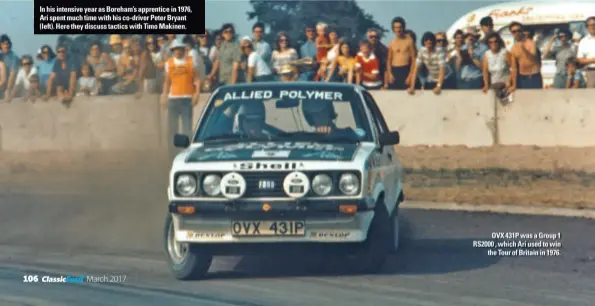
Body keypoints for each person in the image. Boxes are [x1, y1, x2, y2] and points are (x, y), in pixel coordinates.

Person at [161, 39, 201, 158]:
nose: (178, 52)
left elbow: (197, 79)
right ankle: (172, 154)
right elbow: (167, 81)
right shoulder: (169, 63)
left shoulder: (191, 62)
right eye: (175, 49)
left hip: (187, 98)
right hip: (173, 98)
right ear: (173, 51)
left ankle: (187, 153)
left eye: (180, 49)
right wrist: (164, 95)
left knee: (186, 128)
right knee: (172, 128)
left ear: (184, 50)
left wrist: (197, 93)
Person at [509, 21, 542, 89]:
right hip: (522, 78)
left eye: (519, 30)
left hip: (533, 77)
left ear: (522, 31)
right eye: (514, 31)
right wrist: (514, 85)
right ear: (512, 33)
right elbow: (514, 68)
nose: (517, 33)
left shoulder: (531, 43)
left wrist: (523, 49)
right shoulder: (513, 48)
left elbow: (533, 60)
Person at [386, 17, 416, 90]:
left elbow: (414, 60)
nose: (398, 30)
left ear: (403, 28)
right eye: (396, 28)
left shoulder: (409, 41)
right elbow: (389, 60)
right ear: (393, 29)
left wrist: (410, 75)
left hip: (405, 70)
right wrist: (389, 74)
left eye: (400, 27)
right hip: (394, 71)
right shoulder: (391, 43)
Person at [482, 32, 514, 100]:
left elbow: (513, 68)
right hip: (494, 86)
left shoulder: (505, 52)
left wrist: (509, 80)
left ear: (499, 42)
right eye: (491, 42)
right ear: (488, 44)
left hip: (506, 86)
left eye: (495, 41)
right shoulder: (487, 54)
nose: (493, 43)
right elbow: (485, 71)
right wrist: (486, 84)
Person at [577, 16, 595, 88]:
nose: (593, 27)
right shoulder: (583, 41)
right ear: (587, 27)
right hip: (591, 72)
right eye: (590, 25)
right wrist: (593, 60)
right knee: (591, 95)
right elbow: (580, 60)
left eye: (594, 25)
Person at [0, 34, 19, 101]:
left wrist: (8, 90)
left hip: (11, 86)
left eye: (7, 44)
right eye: (4, 44)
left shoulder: (14, 58)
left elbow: (12, 76)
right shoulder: (1, 56)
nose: (6, 45)